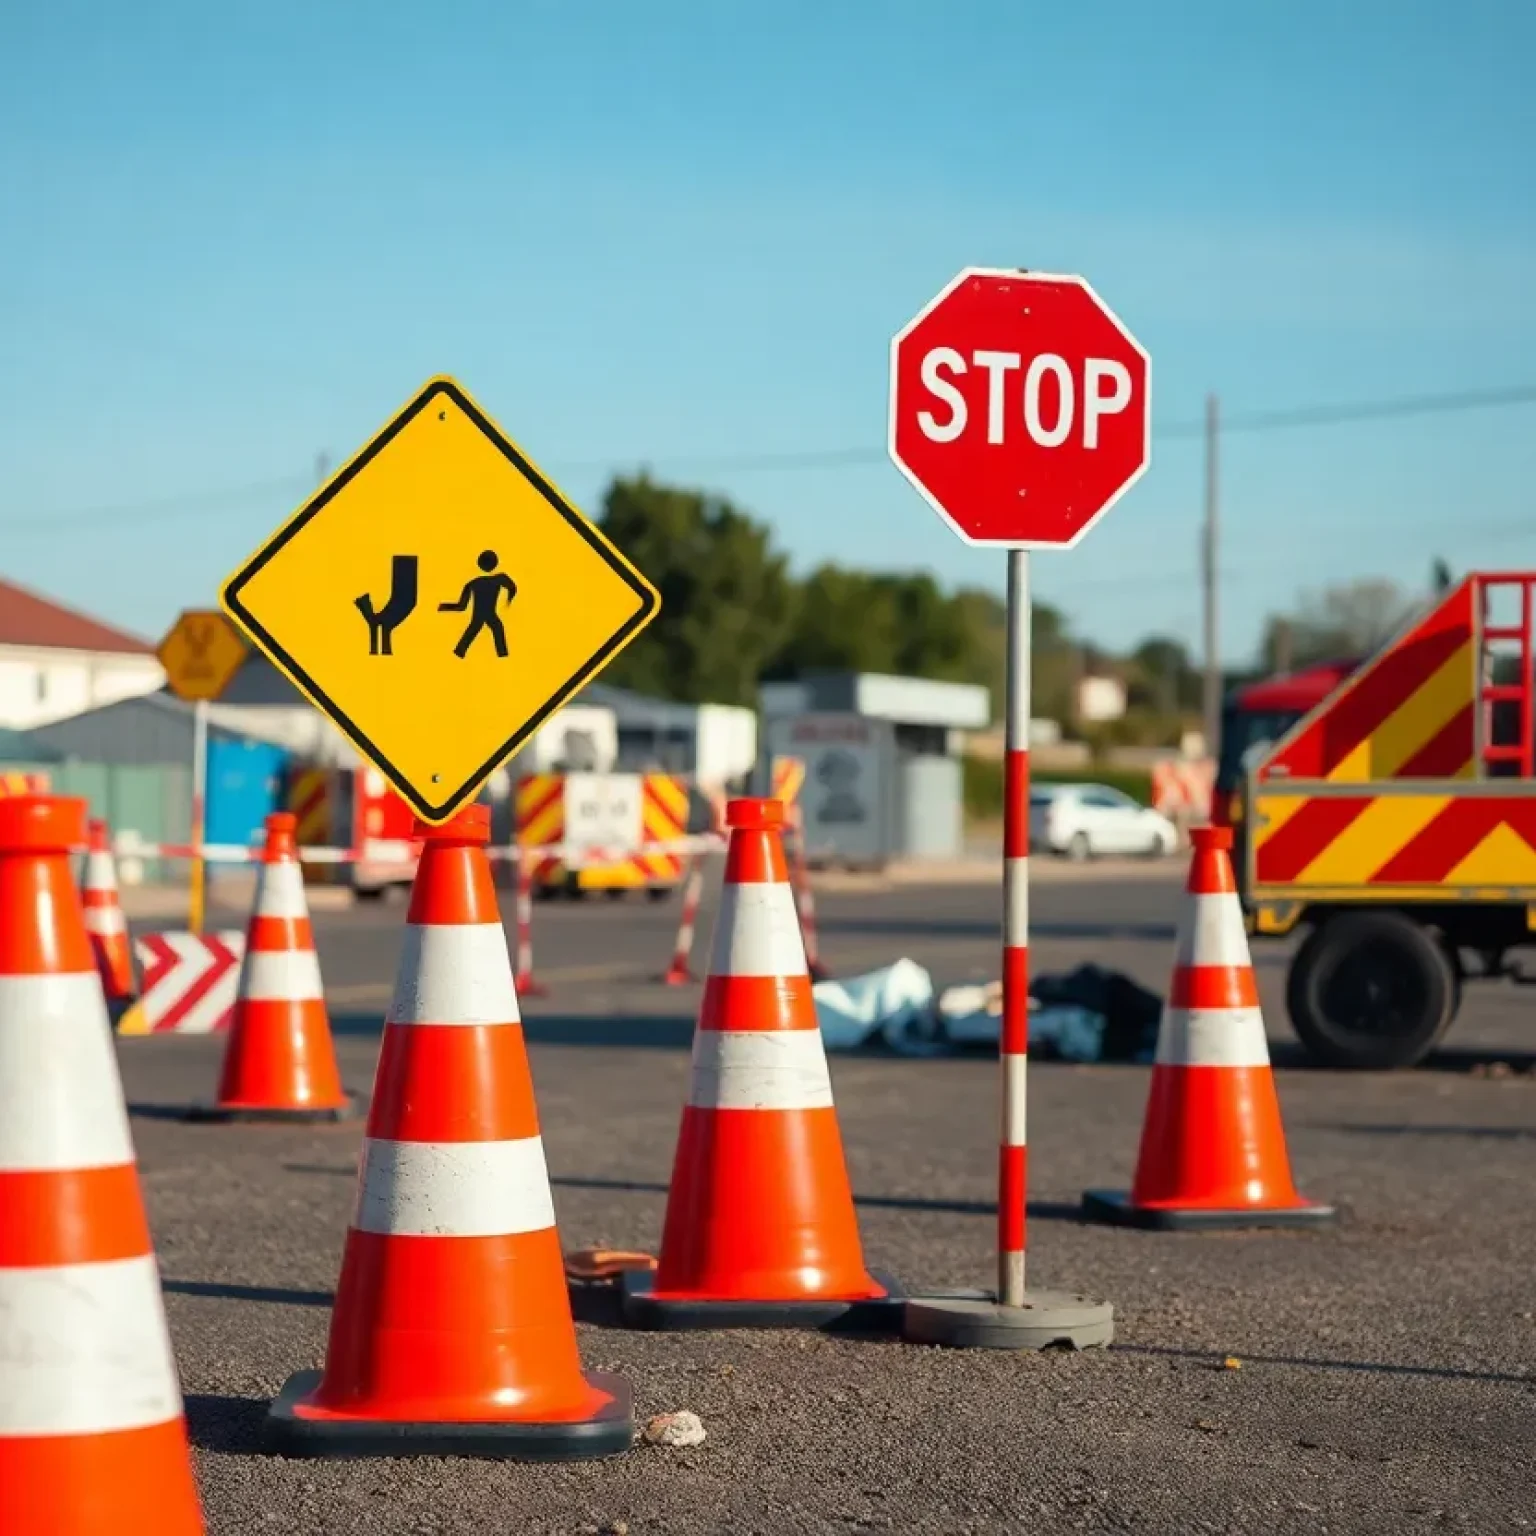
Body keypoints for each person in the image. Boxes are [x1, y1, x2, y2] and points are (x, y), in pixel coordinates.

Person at [439, 550, 517, 658]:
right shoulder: (499, 579)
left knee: (482, 628)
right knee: (495, 628)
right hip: (488, 613)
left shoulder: (473, 583)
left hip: (481, 614)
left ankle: (460, 652)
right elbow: (512, 587)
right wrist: (509, 598)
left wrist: (444, 607)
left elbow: (462, 606)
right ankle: (502, 654)